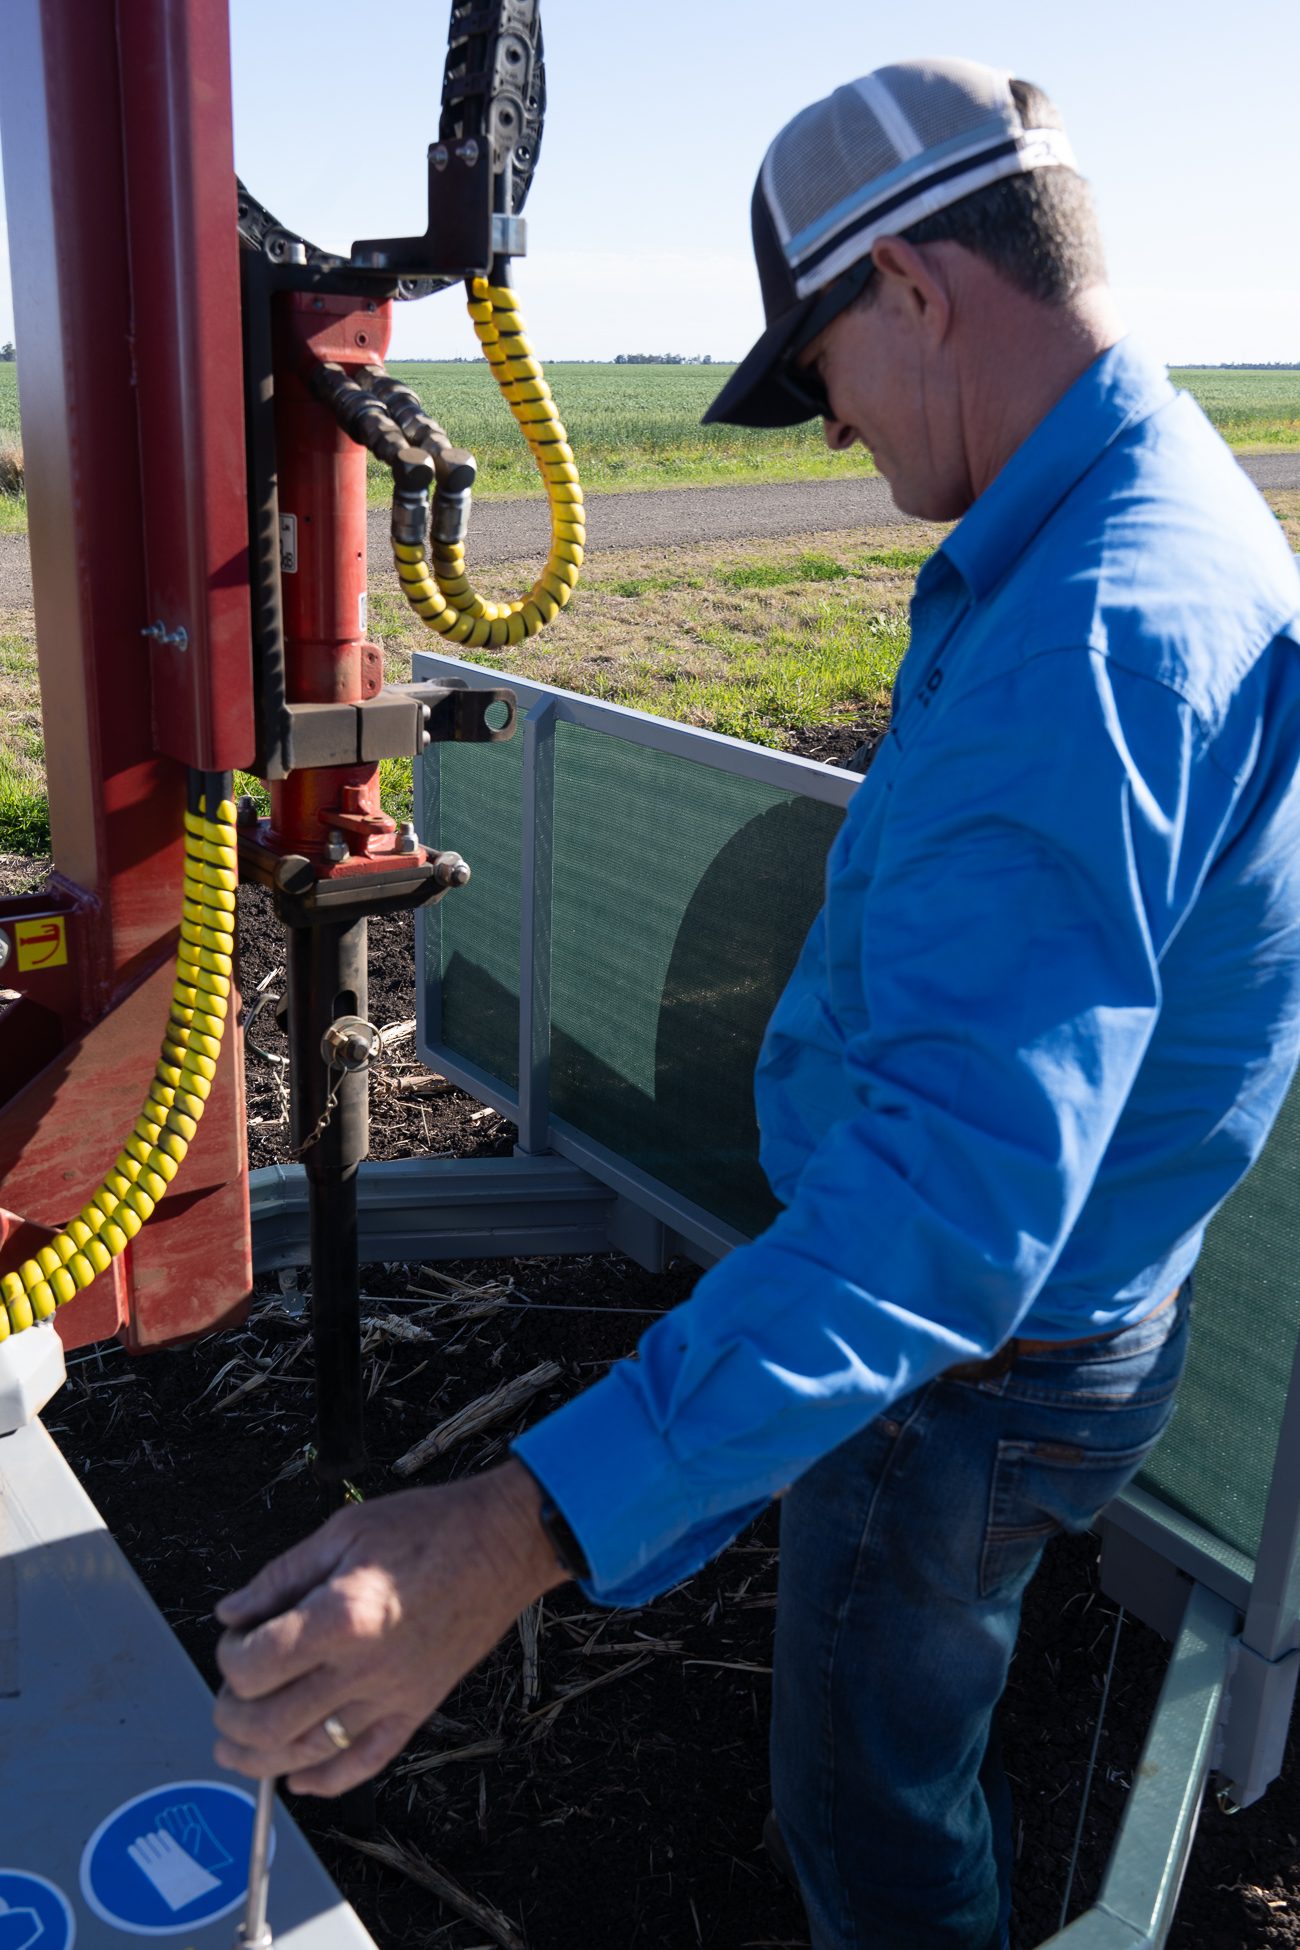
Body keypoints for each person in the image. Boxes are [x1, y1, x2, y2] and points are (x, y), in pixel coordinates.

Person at [212, 58, 1300, 1950]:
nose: (820, 434)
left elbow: (942, 1226)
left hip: (971, 1370)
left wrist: (506, 1531)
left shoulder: (1091, 635)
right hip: (1053, 1321)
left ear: (917, 289)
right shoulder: (1136, 512)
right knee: (910, 1713)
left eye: (816, 371)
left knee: (862, 1806)